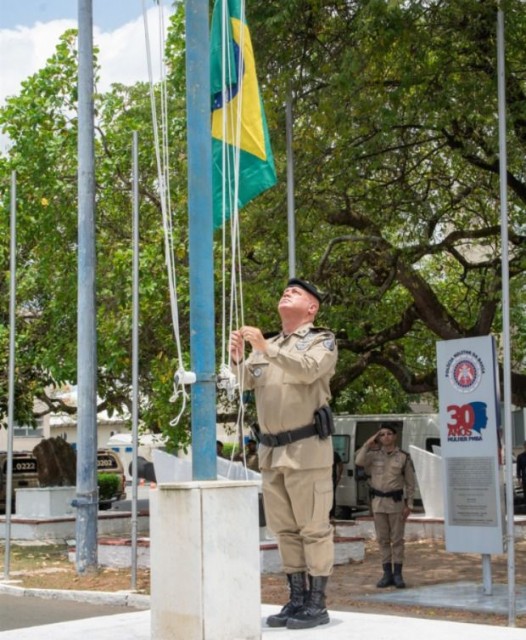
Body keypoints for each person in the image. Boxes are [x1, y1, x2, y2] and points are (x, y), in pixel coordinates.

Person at [230, 278, 338, 630]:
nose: (286, 292)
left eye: (297, 292)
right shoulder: (269, 345)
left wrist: (264, 347)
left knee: (314, 529)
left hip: (307, 450)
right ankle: (296, 598)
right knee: (285, 531)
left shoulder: (321, 341)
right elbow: (246, 381)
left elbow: (308, 370)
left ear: (312, 308)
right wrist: (237, 361)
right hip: (272, 452)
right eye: (285, 290)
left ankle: (317, 604)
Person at [355, 423, 416, 589]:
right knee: (382, 540)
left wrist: (408, 504)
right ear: (378, 438)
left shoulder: (403, 457)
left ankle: (398, 574)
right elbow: (358, 461)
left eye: (389, 434)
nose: (386, 437)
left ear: (395, 436)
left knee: (397, 540)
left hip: (396, 503)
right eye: (382, 434)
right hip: (378, 503)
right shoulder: (373, 455)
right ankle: (386, 573)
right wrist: (368, 443)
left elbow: (410, 484)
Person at [330, 450, 343, 520]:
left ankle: (331, 514)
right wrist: (339, 476)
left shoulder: (334, 454)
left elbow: (340, 465)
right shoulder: (334, 453)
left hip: (330, 479)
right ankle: (331, 515)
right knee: (331, 497)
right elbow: (341, 465)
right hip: (330, 478)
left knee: (331, 497)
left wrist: (339, 476)